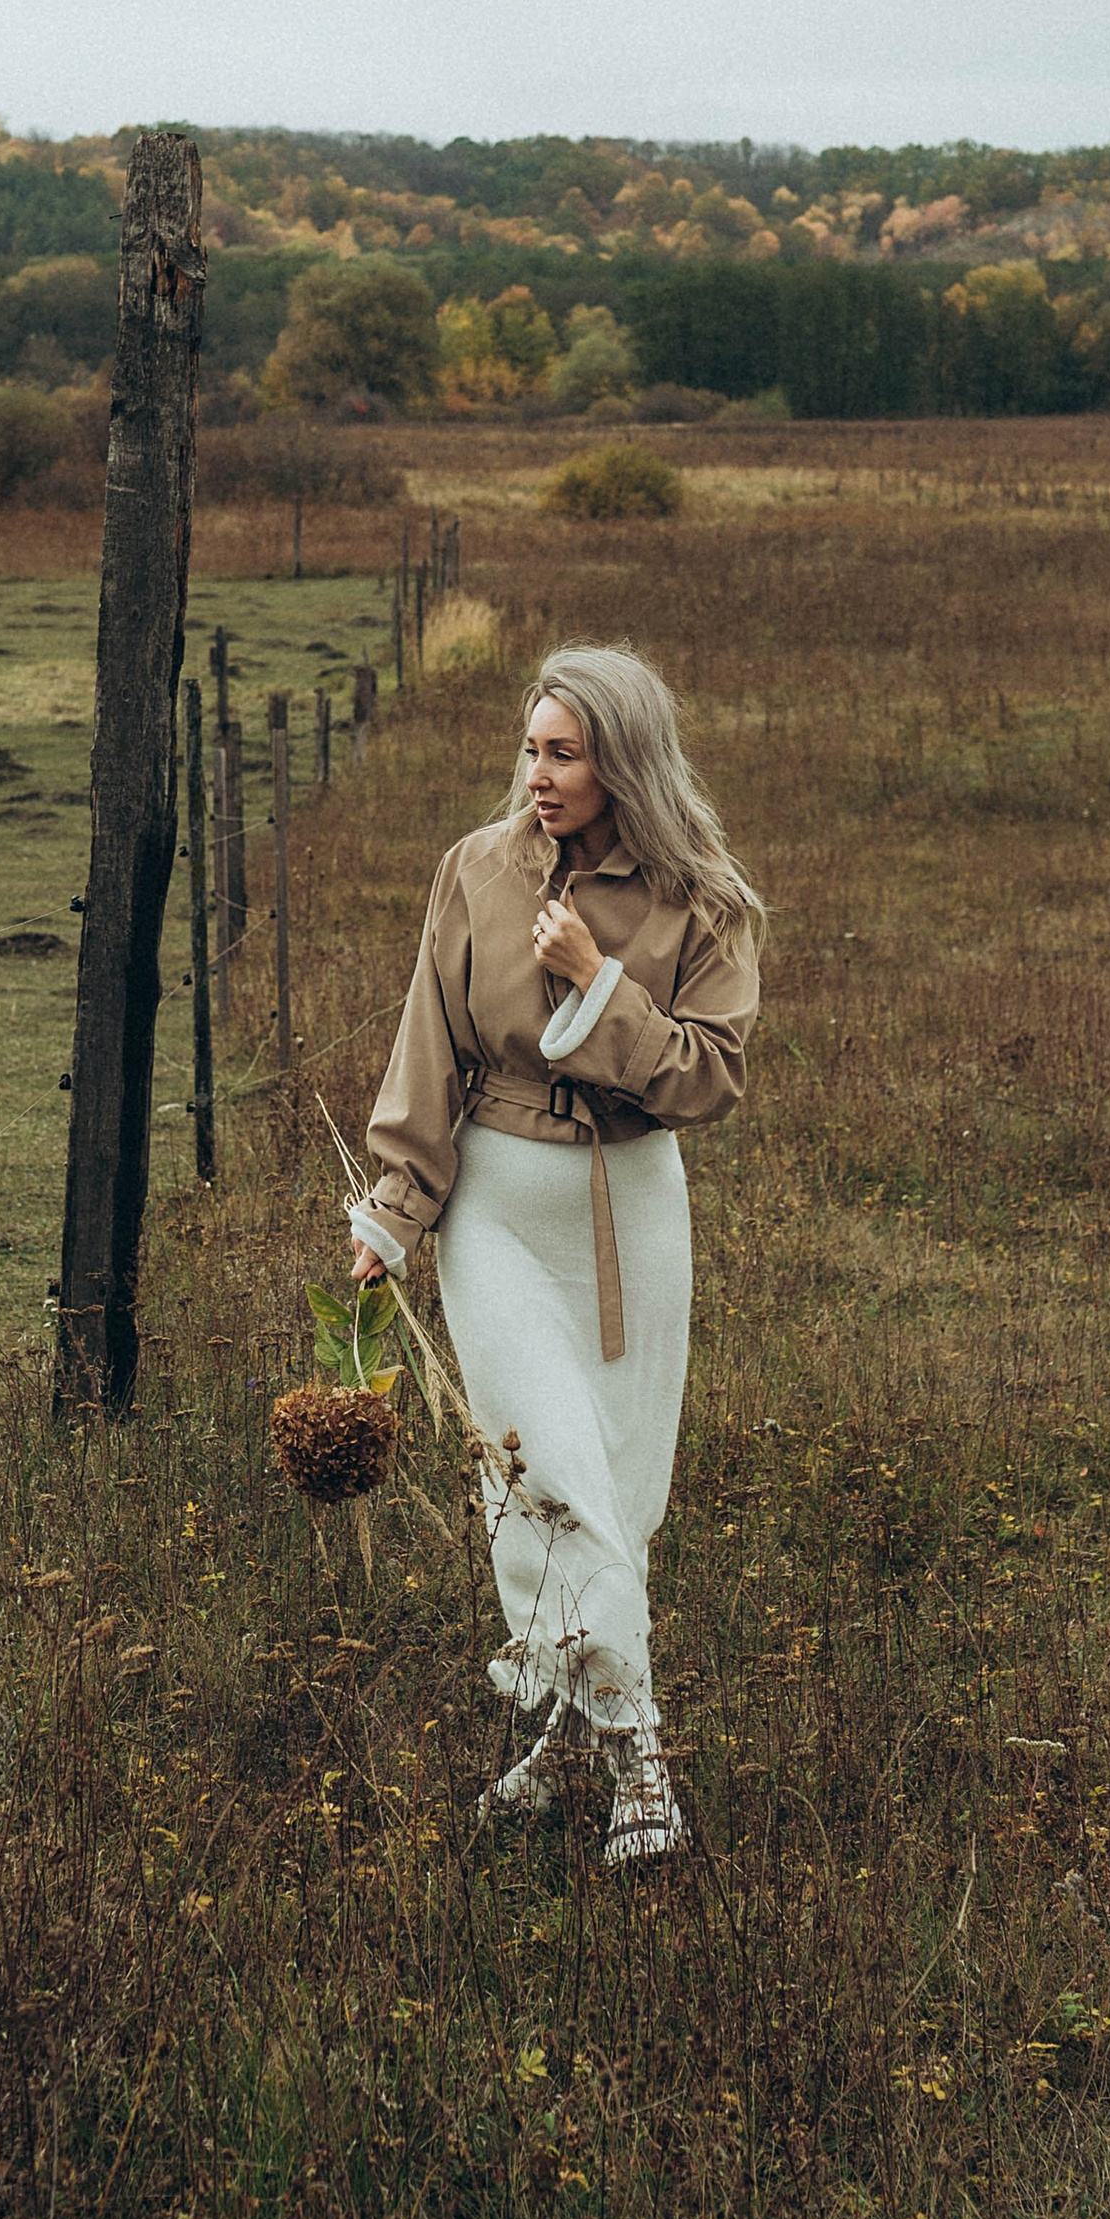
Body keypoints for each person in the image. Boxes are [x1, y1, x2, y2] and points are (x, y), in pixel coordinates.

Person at [347, 643, 762, 1865]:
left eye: (564, 752)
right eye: (531, 747)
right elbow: (430, 1045)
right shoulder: (474, 871)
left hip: (631, 1212)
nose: (538, 773)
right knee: (547, 1475)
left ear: (621, 759)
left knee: (618, 1497)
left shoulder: (705, 899)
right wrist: (395, 1207)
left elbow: (713, 1074)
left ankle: (560, 1740)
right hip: (497, 1217)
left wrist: (598, 984)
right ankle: (641, 1762)